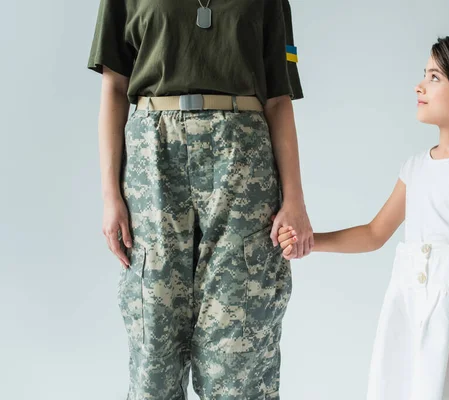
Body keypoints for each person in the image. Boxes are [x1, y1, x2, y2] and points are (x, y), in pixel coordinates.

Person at [277, 34, 449, 400]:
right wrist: (310, 242)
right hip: (411, 320)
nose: (419, 85)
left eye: (435, 77)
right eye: (425, 74)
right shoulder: (416, 167)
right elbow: (375, 233)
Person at [87, 1, 313, 398]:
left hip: (242, 161)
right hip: (152, 160)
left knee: (239, 345)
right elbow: (114, 87)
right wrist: (110, 196)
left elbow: (279, 98)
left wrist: (295, 198)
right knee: (153, 337)